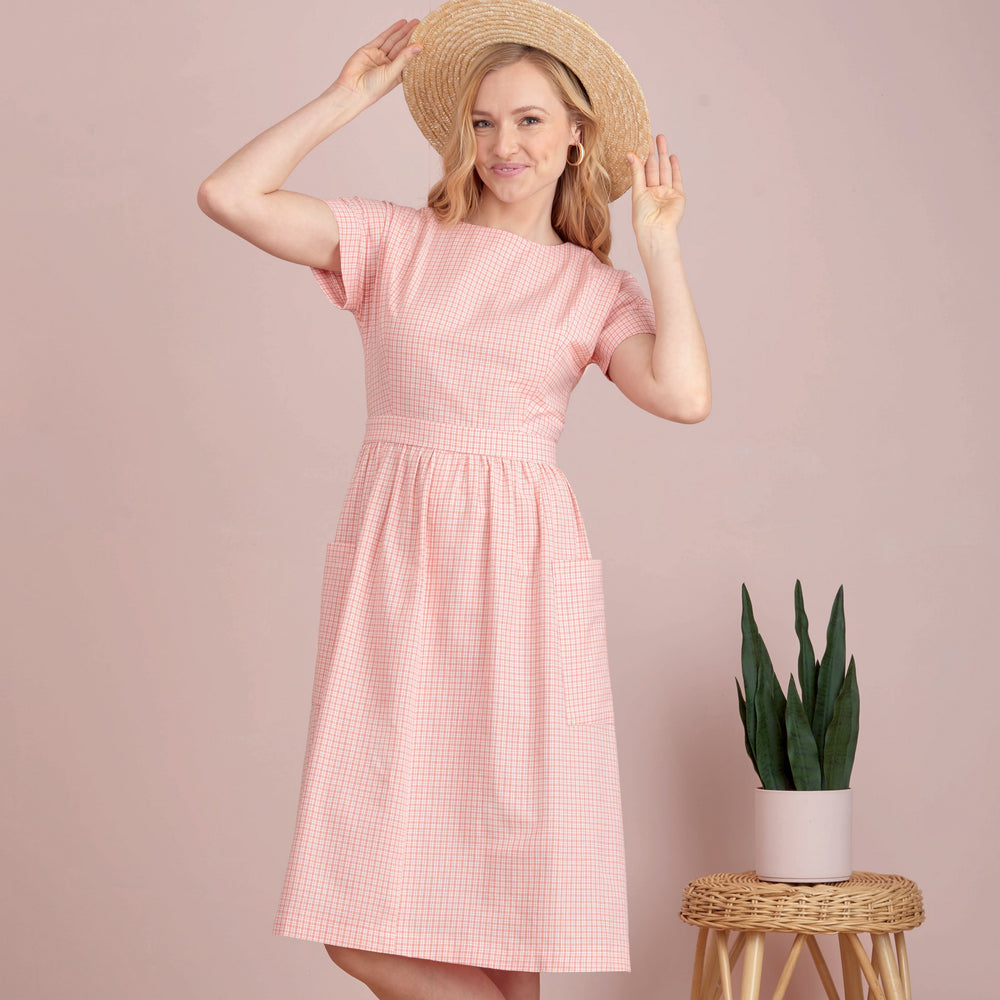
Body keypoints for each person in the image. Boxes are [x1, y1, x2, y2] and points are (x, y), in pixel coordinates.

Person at [197, 0, 710, 996]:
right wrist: (346, 97)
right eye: (483, 121)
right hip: (396, 569)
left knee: (510, 918)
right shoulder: (396, 242)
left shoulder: (588, 288)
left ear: (576, 135)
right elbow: (229, 194)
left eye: (528, 120)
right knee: (360, 918)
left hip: (521, 580)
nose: (503, 144)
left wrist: (661, 246)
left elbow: (682, 395)